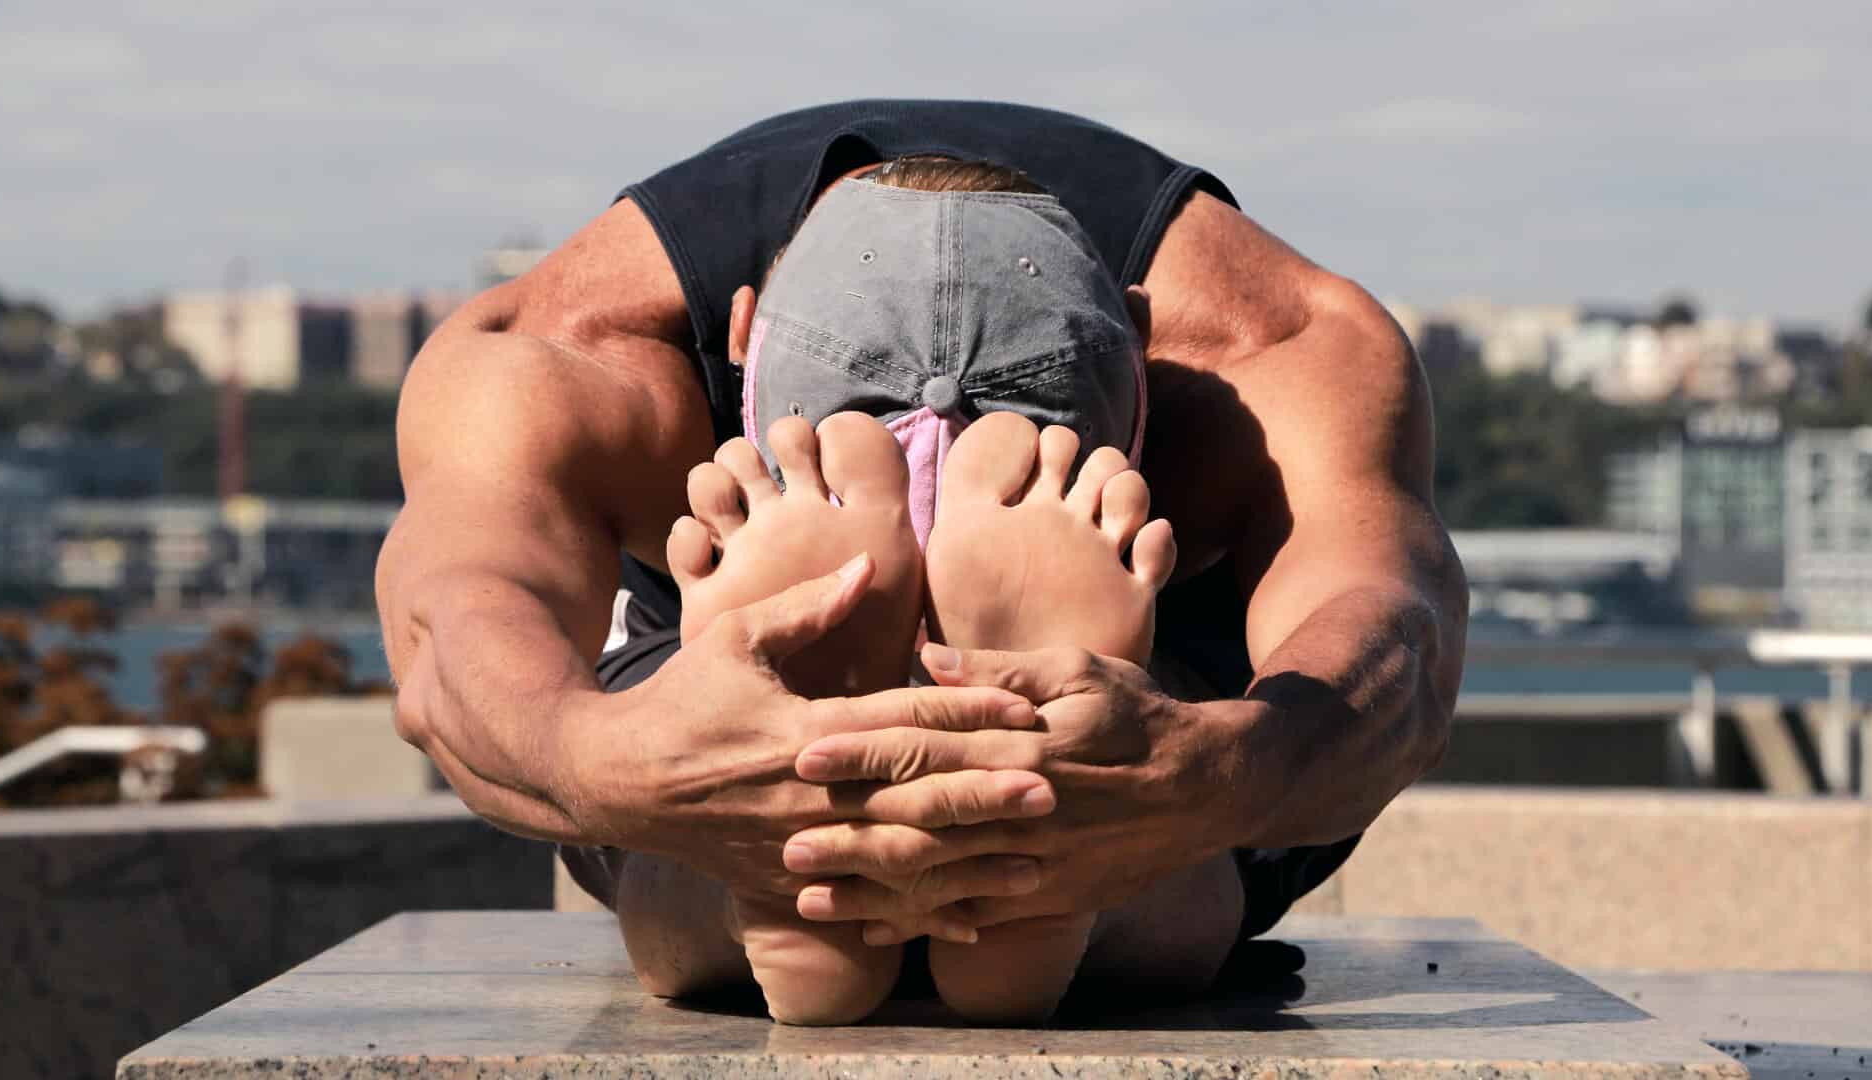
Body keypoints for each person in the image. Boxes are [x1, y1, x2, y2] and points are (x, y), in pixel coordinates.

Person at [375, 100, 1467, 1026]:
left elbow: (448, 634)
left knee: (674, 857)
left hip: (845, 719)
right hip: (1068, 697)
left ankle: (762, 891)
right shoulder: (1286, 351)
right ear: (1136, 341)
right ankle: (1064, 897)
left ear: (752, 336)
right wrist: (611, 763)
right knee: (1183, 881)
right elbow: (1398, 646)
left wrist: (1211, 768)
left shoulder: (556, 360)